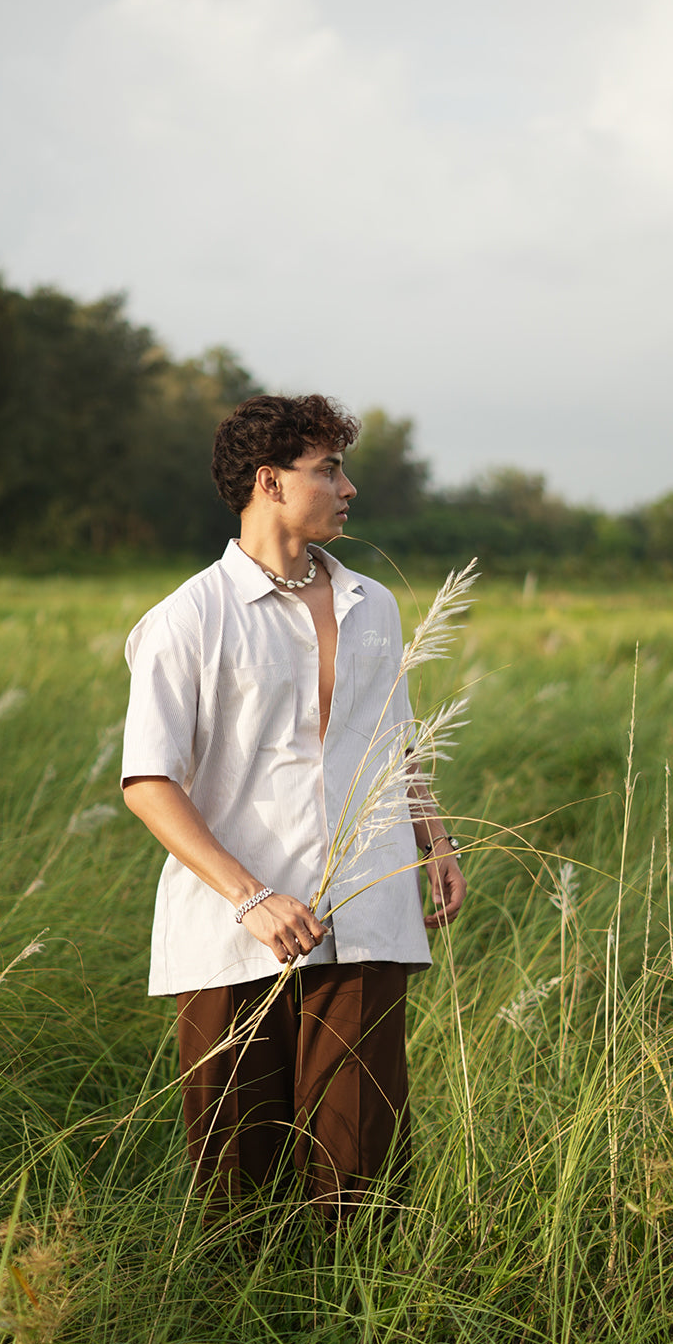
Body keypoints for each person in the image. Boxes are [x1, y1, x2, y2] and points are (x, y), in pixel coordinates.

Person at [121, 393, 466, 1227]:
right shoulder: (188, 619)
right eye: (329, 470)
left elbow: (397, 734)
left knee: (361, 1173)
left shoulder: (373, 604)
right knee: (241, 1178)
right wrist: (250, 896)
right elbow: (148, 782)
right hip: (235, 935)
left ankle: (357, 1339)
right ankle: (243, 1343)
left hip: (365, 912)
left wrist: (437, 837)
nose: (349, 488)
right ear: (270, 482)